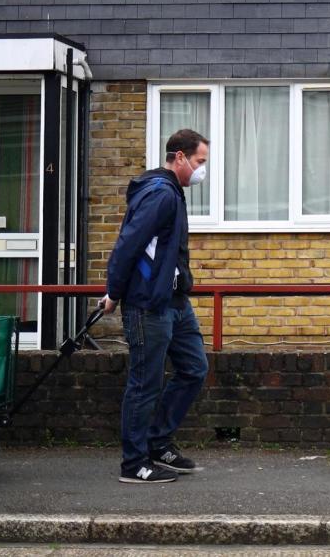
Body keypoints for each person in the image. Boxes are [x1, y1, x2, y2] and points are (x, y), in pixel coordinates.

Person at [99, 129, 210, 484]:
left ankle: (158, 442)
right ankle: (134, 463)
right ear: (180, 157)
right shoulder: (160, 195)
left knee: (194, 367)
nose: (201, 170)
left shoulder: (172, 193)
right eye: (199, 162)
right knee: (144, 383)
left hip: (174, 302)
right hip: (149, 304)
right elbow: (128, 244)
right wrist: (114, 293)